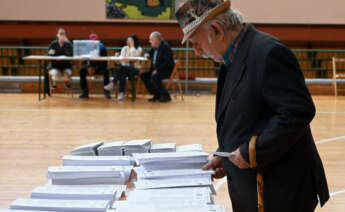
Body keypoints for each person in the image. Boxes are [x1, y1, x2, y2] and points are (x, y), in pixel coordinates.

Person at [175, 1, 329, 212]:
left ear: (216, 30)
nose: (196, 51)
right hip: (255, 186)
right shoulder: (232, 57)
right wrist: (225, 154)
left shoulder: (268, 53)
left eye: (195, 41)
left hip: (279, 190)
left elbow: (297, 111)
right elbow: (246, 117)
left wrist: (252, 151)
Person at [104, 34, 143, 101]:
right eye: (128, 40)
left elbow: (134, 58)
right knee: (123, 72)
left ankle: (113, 83)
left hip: (135, 69)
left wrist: (132, 46)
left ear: (134, 41)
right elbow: (119, 61)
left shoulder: (138, 48)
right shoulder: (124, 48)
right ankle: (121, 93)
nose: (128, 41)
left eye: (130, 40)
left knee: (123, 69)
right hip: (125, 68)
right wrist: (117, 58)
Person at [140, 31, 175, 102]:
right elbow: (149, 51)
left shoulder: (165, 47)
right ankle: (157, 94)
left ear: (156, 39)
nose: (149, 41)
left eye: (151, 39)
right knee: (144, 75)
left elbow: (168, 63)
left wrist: (158, 70)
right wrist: (147, 54)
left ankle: (166, 96)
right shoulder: (155, 47)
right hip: (156, 70)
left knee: (154, 77)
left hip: (165, 71)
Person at [79, 33, 111, 99]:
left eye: (95, 41)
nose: (93, 42)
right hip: (89, 68)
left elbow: (105, 62)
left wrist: (96, 67)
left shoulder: (102, 49)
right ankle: (85, 92)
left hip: (100, 68)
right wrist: (88, 67)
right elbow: (83, 62)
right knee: (81, 70)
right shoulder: (86, 49)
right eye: (92, 41)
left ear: (98, 41)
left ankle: (107, 92)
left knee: (106, 71)